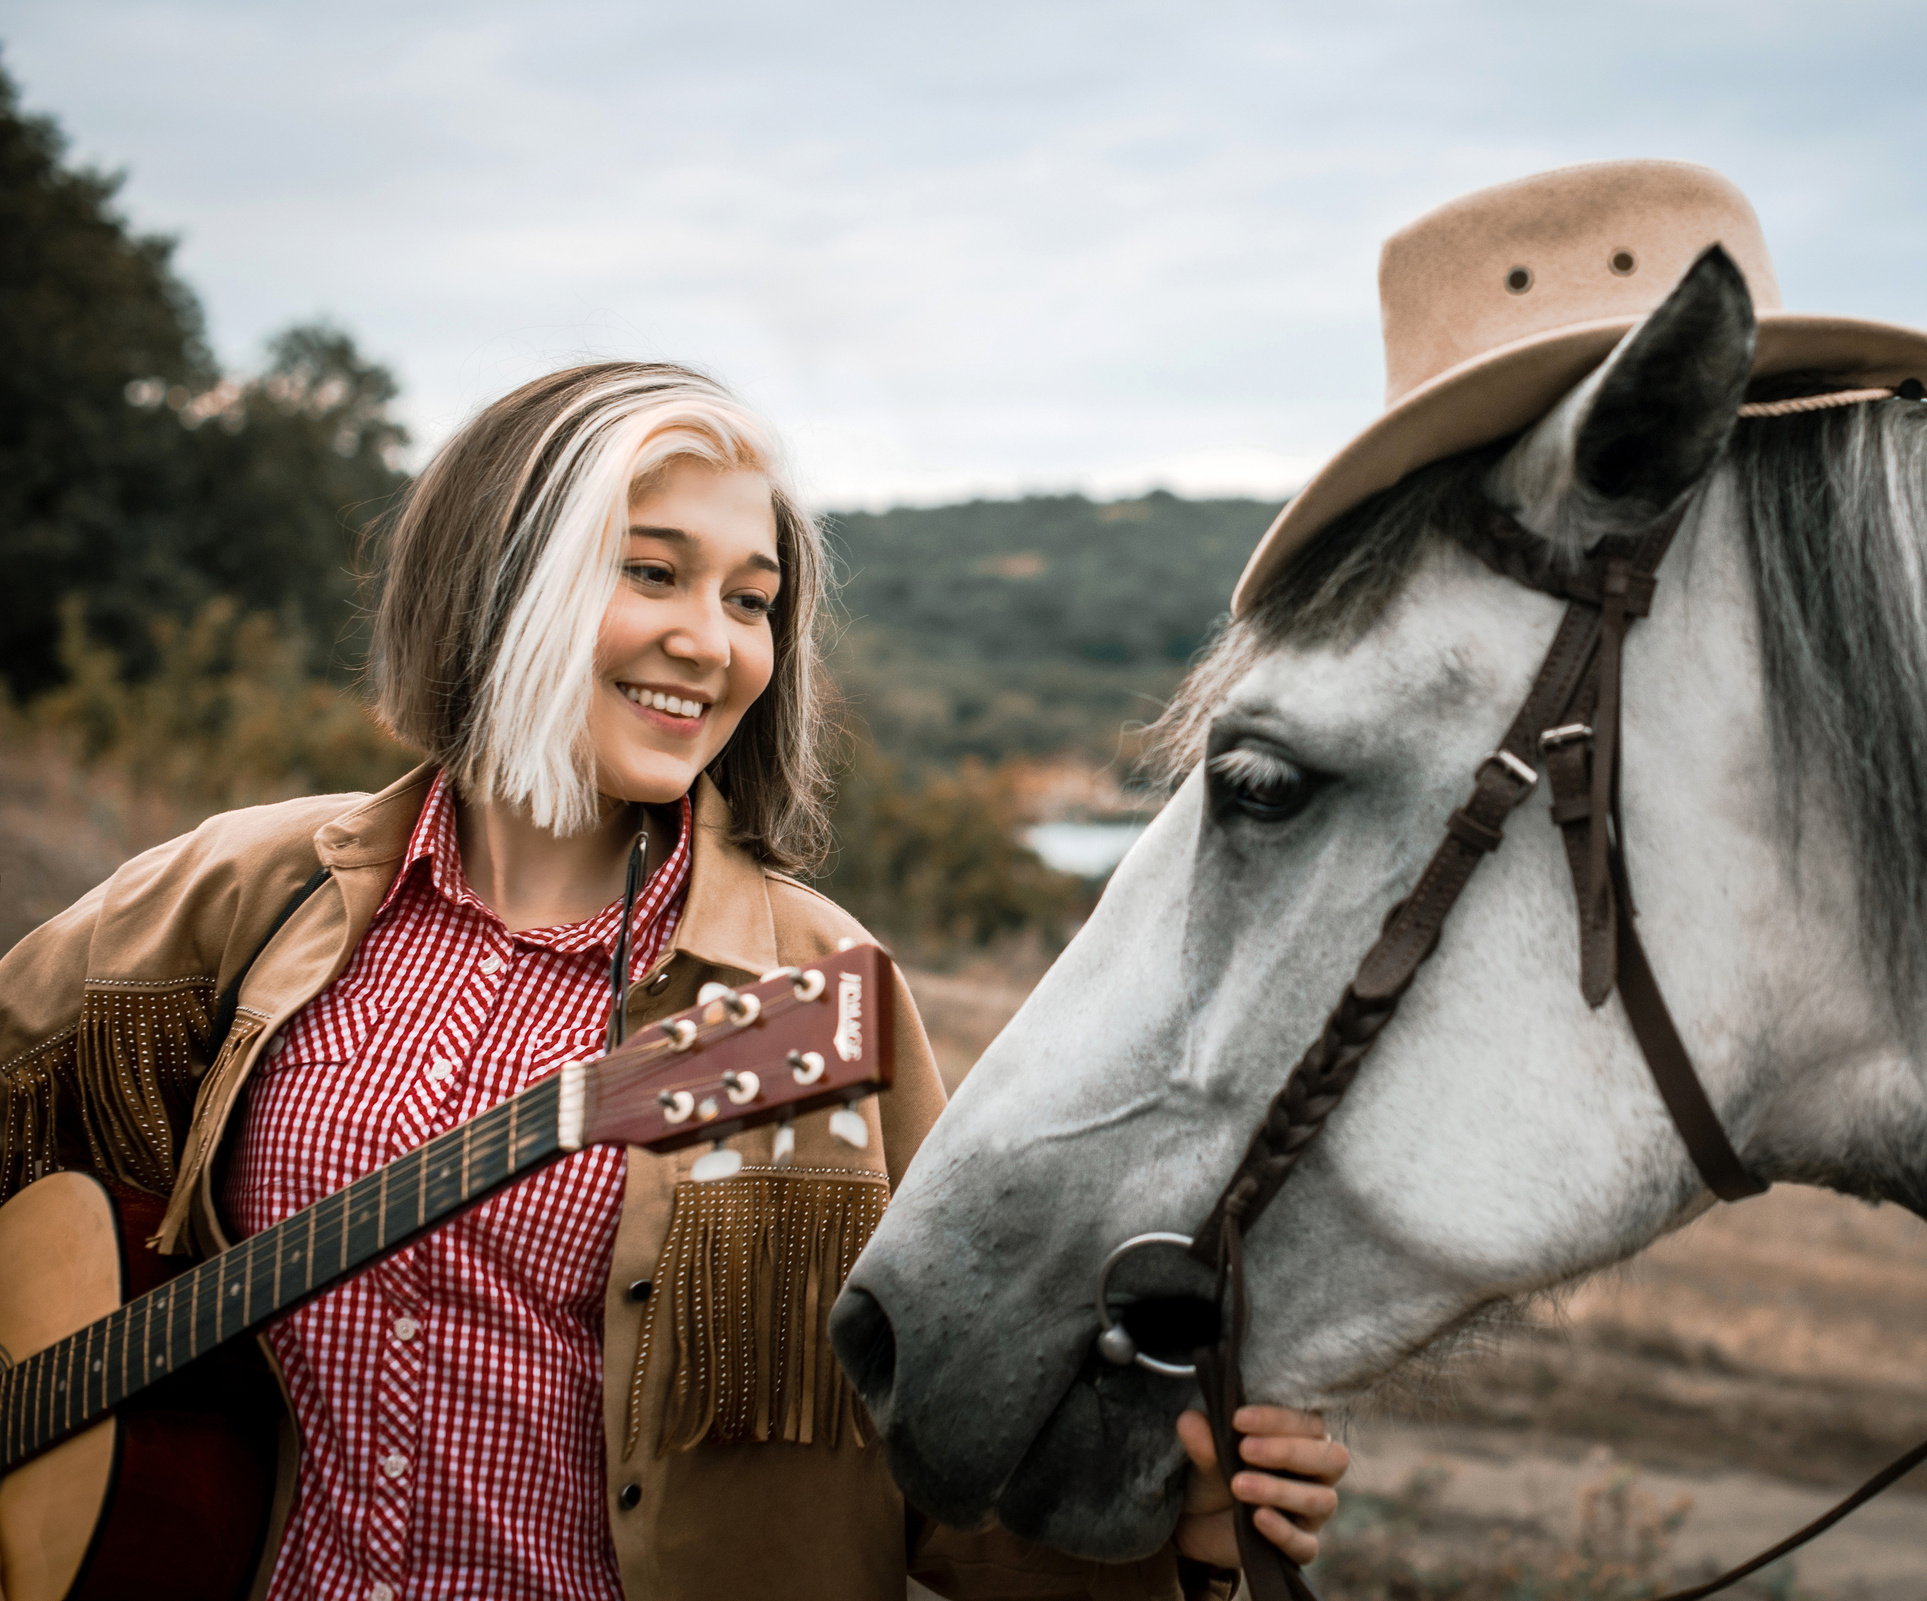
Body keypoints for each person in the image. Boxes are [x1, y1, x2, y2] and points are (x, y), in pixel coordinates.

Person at [0, 362, 1348, 1599]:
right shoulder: (250, 893)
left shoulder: (820, 996)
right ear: (498, 584)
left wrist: (1171, 1525)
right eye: (653, 573)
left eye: (750, 598)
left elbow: (940, 1449)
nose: (713, 642)